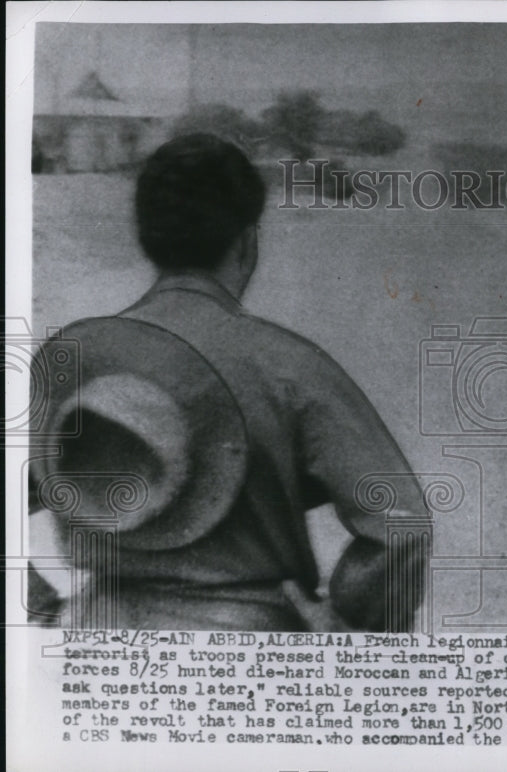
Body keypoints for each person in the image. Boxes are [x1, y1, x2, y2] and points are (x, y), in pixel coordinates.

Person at [29, 133, 428, 632]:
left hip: (100, 636)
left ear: (148, 239)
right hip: (248, 646)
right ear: (245, 241)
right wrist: (349, 622)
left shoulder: (76, 362)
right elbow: (402, 524)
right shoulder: (288, 364)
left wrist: (41, 610)